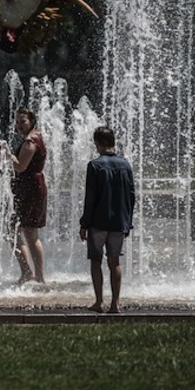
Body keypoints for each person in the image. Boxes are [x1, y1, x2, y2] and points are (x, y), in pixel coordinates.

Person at [0, 107, 47, 285]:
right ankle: (29, 273)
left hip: (30, 189)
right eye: (16, 122)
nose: (19, 126)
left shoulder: (31, 142)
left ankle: (36, 276)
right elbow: (17, 161)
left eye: (22, 122)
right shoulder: (31, 139)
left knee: (28, 232)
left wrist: (3, 152)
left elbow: (20, 166)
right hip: (27, 188)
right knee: (16, 231)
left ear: (32, 121)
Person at [79, 126, 135, 314]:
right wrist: (127, 221)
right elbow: (131, 196)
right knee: (115, 262)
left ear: (98, 143)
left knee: (96, 261)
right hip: (119, 222)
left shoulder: (94, 165)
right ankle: (116, 304)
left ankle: (99, 302)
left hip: (98, 222)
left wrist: (84, 224)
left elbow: (90, 198)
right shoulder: (125, 165)